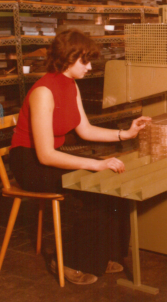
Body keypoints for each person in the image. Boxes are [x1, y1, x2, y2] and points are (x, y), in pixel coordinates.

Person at [9, 29, 151, 285]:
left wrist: (125, 134)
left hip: (50, 156)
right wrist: (96, 164)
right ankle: (67, 260)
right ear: (67, 58)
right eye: (84, 61)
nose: (89, 67)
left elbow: (84, 129)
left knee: (112, 185)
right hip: (29, 162)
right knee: (93, 189)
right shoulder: (43, 91)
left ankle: (104, 253)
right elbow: (45, 155)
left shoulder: (70, 84)